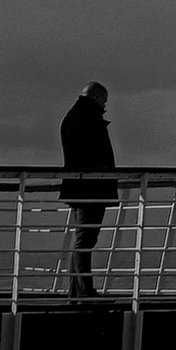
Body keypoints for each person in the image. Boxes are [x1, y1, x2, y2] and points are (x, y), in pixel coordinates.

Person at [59, 82, 115, 297]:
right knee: (85, 240)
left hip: (77, 186)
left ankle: (77, 290)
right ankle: (84, 291)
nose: (105, 106)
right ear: (97, 98)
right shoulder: (90, 120)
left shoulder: (72, 117)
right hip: (92, 188)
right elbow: (96, 155)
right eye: (104, 101)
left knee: (82, 239)